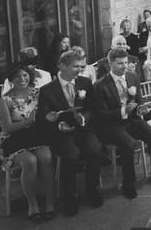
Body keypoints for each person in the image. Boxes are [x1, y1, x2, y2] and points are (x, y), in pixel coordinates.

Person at [93, 48, 151, 199]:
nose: (124, 66)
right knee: (129, 144)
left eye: (126, 62)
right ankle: (128, 182)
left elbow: (139, 99)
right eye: (120, 63)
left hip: (132, 119)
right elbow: (100, 114)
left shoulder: (133, 76)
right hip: (112, 125)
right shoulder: (100, 85)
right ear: (110, 64)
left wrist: (141, 108)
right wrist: (123, 111)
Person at [36, 50, 102, 216]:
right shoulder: (46, 90)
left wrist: (83, 118)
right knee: (71, 155)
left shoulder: (85, 83)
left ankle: (92, 190)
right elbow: (43, 119)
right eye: (75, 66)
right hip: (61, 133)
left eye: (81, 66)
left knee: (95, 150)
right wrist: (58, 125)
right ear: (61, 65)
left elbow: (91, 108)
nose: (79, 70)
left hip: (83, 128)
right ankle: (70, 196)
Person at [0, 64, 54, 223]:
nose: (22, 79)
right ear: (11, 80)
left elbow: (46, 115)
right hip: (14, 138)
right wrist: (26, 122)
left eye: (25, 75)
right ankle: (32, 204)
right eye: (17, 77)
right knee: (30, 161)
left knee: (46, 158)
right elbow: (7, 128)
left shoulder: (38, 93)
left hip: (37, 135)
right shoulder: (5, 99)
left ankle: (50, 202)